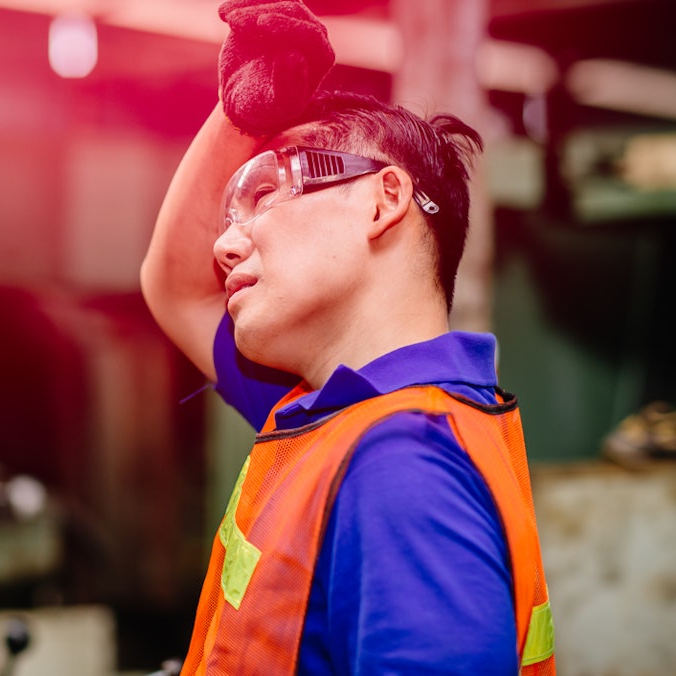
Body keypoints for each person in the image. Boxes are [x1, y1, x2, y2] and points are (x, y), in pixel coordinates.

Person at [139, 2, 555, 674]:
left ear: (383, 200)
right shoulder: (334, 418)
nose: (224, 245)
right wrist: (241, 115)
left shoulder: (404, 466)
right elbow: (177, 287)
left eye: (265, 193)